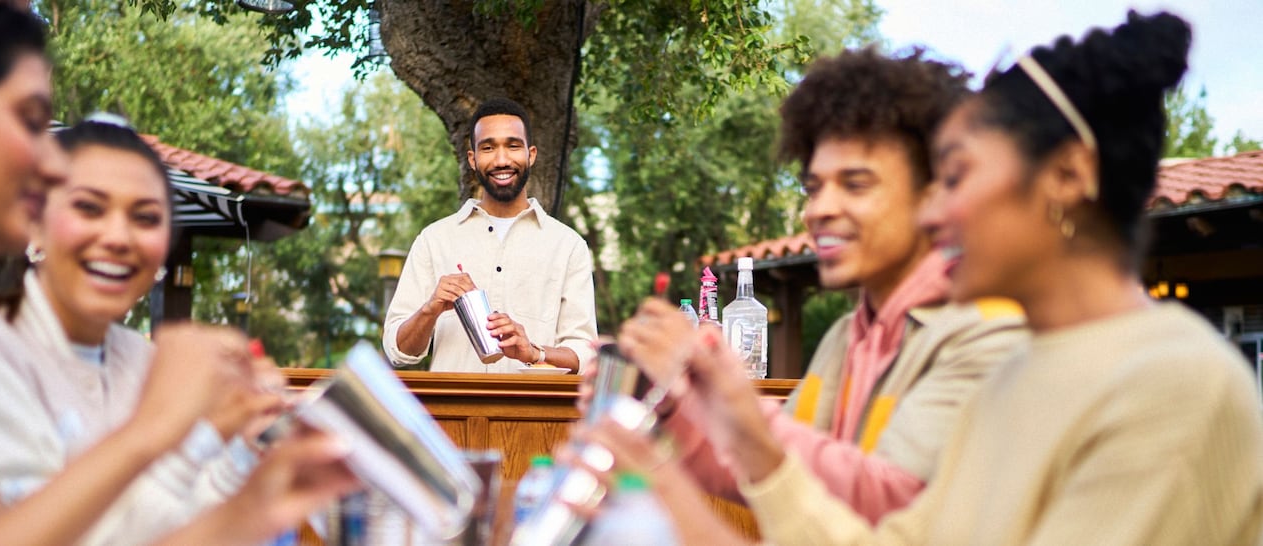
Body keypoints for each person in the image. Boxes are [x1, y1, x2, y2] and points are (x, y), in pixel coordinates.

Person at [583, 11, 1263, 545]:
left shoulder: (1168, 385)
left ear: (1067, 176)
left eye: (957, 176)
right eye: (814, 184)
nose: (934, 212)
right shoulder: (1018, 375)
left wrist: (676, 483)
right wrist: (685, 447)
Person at [0, 4, 356, 544]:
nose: (49, 166)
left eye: (145, 218)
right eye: (88, 208)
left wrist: (257, 471)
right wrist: (166, 432)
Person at [603, 48, 1026, 522]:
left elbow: (891, 498)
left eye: (856, 184)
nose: (820, 209)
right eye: (813, 187)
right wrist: (665, 409)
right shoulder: (847, 336)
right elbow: (776, 472)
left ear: (934, 195)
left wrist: (730, 394)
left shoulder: (987, 336)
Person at [0, 116, 287, 545]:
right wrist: (182, 433)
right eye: (89, 208)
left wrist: (243, 442)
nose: (118, 237)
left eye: (145, 218)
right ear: (34, 223)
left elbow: (172, 524)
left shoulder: (140, 358)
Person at [382, 98, 598, 373]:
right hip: (453, 413)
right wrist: (431, 309)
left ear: (531, 154)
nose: (501, 159)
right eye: (488, 147)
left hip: (533, 415)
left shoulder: (568, 246)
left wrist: (534, 352)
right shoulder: (434, 240)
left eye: (513, 145)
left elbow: (586, 355)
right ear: (473, 159)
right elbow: (397, 352)